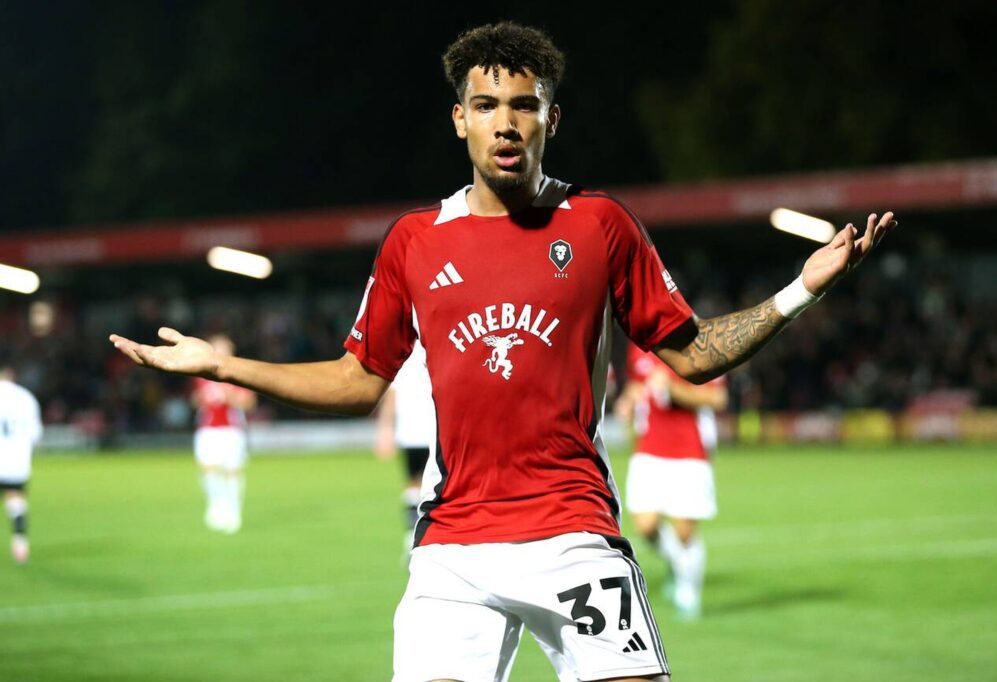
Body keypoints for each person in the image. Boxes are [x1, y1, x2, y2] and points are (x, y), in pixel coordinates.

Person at [109, 21, 896, 682]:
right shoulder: (414, 243)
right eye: (486, 106)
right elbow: (358, 381)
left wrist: (802, 288)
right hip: (452, 549)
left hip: (574, 533)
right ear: (460, 120)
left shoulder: (600, 226)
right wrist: (221, 365)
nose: (506, 123)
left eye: (525, 105)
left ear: (554, 118)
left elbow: (691, 353)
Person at [616, 342, 728, 620]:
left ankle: (688, 591)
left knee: (684, 532)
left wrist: (673, 389)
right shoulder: (639, 346)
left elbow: (717, 399)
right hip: (649, 448)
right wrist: (628, 400)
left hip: (689, 451)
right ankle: (680, 563)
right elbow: (638, 384)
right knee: (645, 525)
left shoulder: (703, 347)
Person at [374, 339, 436, 559]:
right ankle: (425, 537)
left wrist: (385, 430)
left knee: (413, 483)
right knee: (435, 483)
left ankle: (412, 536)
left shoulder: (403, 355)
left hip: (411, 432)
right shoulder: (438, 349)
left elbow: (390, 395)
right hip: (433, 430)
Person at [192, 335, 256, 534]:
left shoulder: (238, 374)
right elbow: (195, 401)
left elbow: (249, 402)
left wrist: (231, 397)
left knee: (232, 472)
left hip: (231, 431)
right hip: (208, 430)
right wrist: (201, 398)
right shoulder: (202, 375)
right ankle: (216, 506)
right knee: (208, 470)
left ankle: (234, 512)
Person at [0, 362, 43, 564]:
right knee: (15, 498)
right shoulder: (25, 397)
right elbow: (35, 434)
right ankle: (20, 543)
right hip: (16, 461)